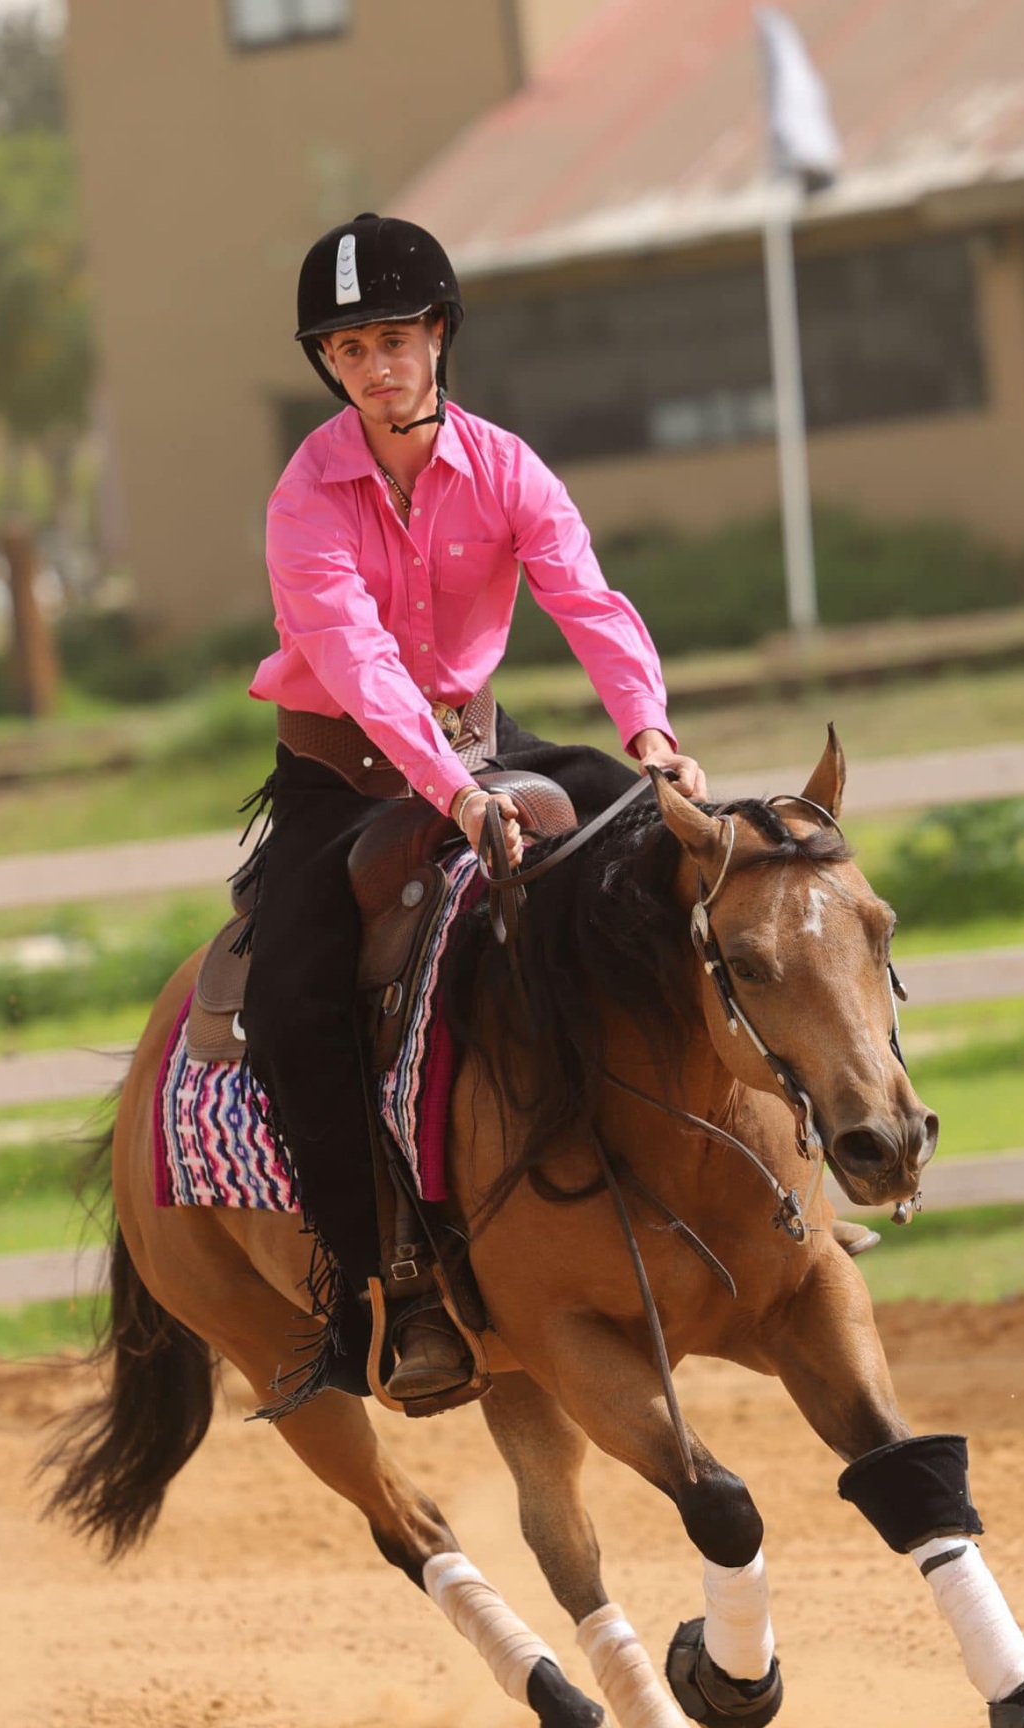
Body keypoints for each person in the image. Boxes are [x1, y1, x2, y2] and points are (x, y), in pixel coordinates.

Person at [241, 212, 707, 1403]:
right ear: (328, 367)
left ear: (441, 334)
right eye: (347, 350)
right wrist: (450, 793)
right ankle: (376, 1285)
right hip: (341, 774)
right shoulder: (305, 497)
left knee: (655, 861)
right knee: (293, 992)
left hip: (478, 746)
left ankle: (733, 1170)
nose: (374, 365)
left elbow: (588, 602)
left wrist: (650, 733)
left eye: (394, 336)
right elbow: (356, 665)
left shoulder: (508, 468)